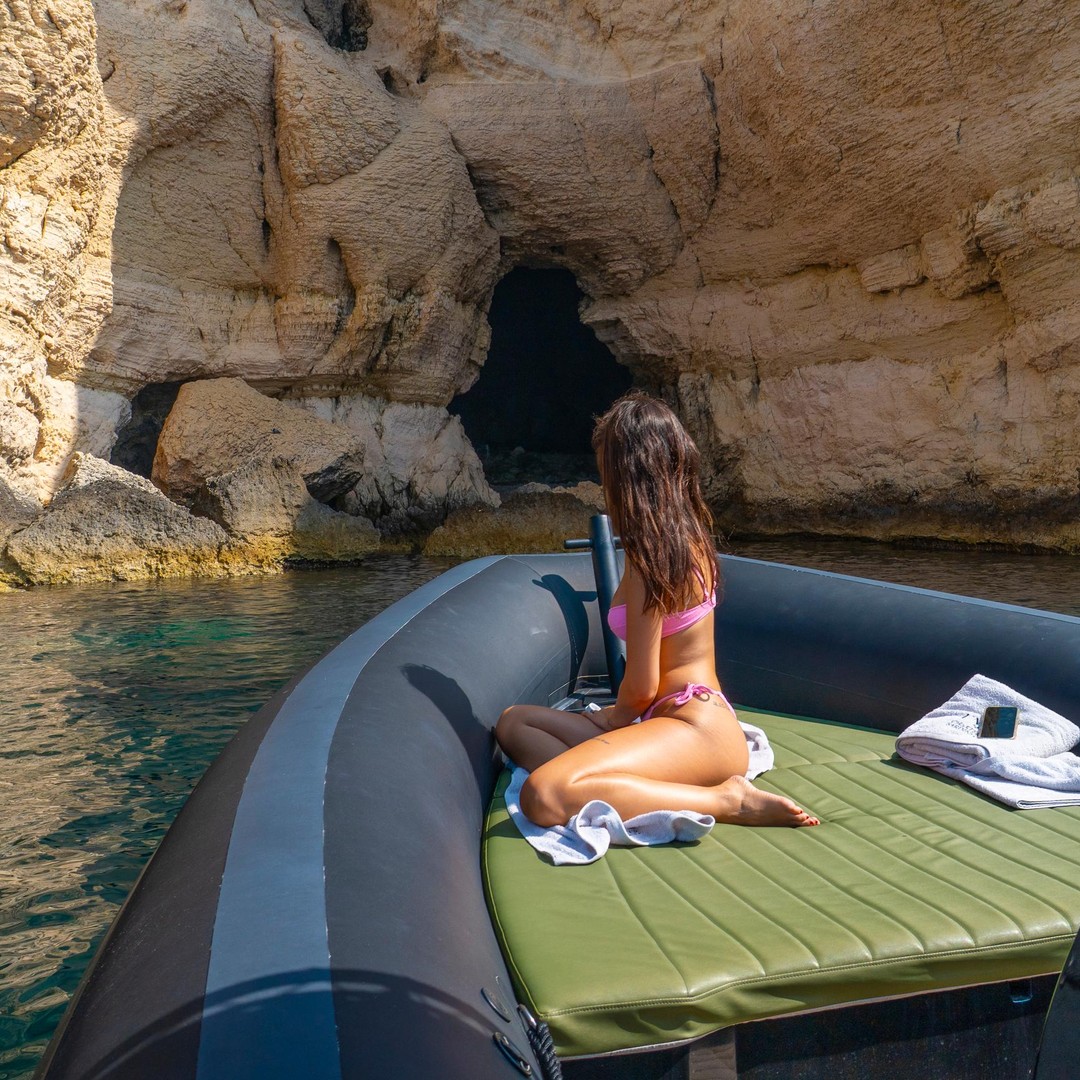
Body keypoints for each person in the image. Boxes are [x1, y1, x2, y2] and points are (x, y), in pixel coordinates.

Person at [495, 392, 819, 829]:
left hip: (694, 729)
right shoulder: (685, 538)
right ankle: (610, 785)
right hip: (676, 722)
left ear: (627, 477)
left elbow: (641, 689)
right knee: (515, 724)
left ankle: (725, 800)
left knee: (543, 794)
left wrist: (610, 720)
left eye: (607, 473)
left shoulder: (653, 558)